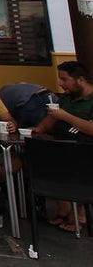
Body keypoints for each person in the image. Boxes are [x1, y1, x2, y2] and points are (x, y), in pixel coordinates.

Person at [33, 61, 93, 232]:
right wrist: (39, 129)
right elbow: (51, 118)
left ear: (80, 80)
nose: (60, 83)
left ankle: (80, 213)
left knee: (78, 166)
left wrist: (66, 116)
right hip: (61, 146)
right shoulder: (67, 98)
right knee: (42, 158)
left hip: (85, 149)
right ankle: (64, 208)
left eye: (64, 79)